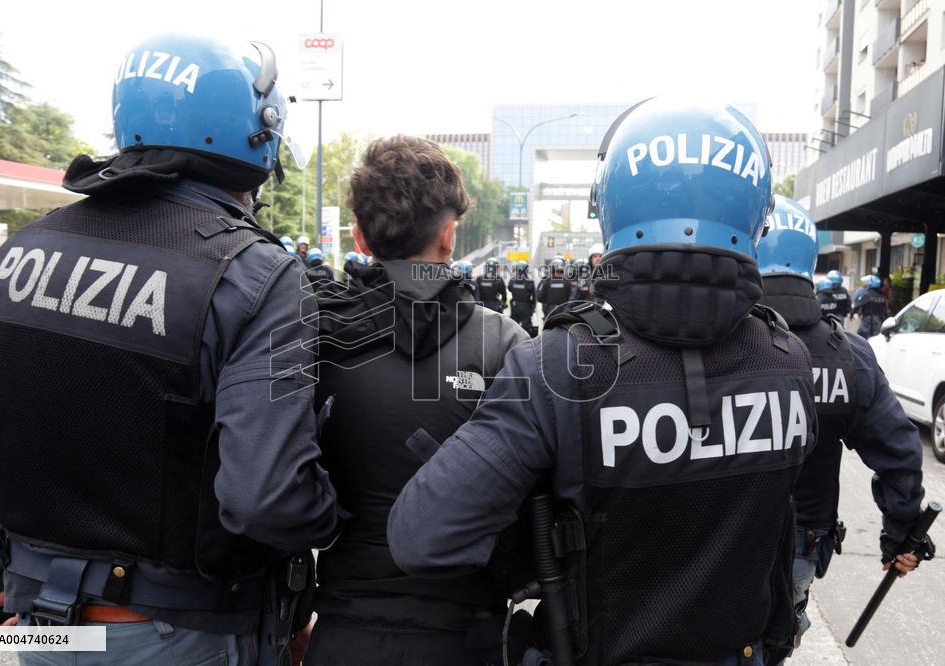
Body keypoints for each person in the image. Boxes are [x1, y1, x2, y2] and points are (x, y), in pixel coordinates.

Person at [0, 35, 341, 665]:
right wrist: (339, 515)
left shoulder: (18, 254)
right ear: (259, 133)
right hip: (184, 631)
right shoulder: (256, 273)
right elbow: (264, 498)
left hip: (38, 624)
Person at [388, 100, 817, 665]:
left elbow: (421, 537)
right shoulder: (790, 360)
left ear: (608, 207)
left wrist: (537, 541)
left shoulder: (557, 364)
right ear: (756, 213)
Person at [307, 135, 528, 666]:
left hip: (340, 629)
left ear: (358, 236)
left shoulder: (310, 335)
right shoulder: (504, 343)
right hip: (464, 633)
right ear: (450, 237)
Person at [757, 195, 929, 647]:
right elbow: (899, 452)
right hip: (802, 542)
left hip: (712, 540)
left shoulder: (716, 341)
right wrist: (900, 534)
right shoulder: (847, 353)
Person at [508, 260, 537, 335]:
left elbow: (510, 289)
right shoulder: (530, 282)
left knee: (512, 326)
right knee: (526, 328)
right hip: (526, 306)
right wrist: (533, 307)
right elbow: (534, 296)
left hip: (515, 306)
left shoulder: (512, 280)